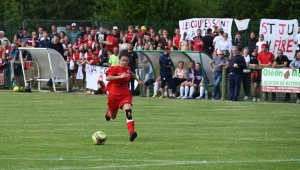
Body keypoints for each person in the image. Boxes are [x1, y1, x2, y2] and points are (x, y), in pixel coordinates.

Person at [104, 51, 145, 142]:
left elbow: (130, 72)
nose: (124, 62)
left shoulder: (127, 68)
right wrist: (120, 77)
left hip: (125, 95)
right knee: (113, 117)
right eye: (123, 60)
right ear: (119, 60)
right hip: (114, 97)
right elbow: (108, 78)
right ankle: (109, 112)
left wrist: (138, 80)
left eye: (126, 61)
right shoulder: (114, 68)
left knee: (128, 112)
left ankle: (132, 133)